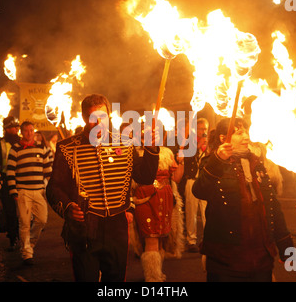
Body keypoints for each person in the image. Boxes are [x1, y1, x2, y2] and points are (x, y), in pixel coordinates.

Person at [46, 93, 160, 282]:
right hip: (85, 228)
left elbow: (145, 177)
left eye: (103, 118)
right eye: (93, 119)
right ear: (84, 118)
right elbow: (54, 188)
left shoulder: (125, 143)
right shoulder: (66, 148)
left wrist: (151, 149)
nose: (99, 124)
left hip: (117, 228)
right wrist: (68, 207)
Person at [192, 117, 293, 282]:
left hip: (261, 259)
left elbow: (272, 206)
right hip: (226, 260)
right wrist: (218, 160)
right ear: (223, 138)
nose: (246, 137)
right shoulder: (212, 162)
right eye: (239, 133)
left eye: (246, 131)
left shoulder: (257, 164)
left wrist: (286, 246)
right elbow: (199, 190)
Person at [132, 146, 184, 281]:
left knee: (160, 239)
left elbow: (176, 178)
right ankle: (152, 277)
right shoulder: (135, 153)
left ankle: (156, 272)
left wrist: (181, 161)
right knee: (151, 238)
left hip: (164, 197)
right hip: (145, 197)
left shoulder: (166, 152)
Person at [6, 121, 53, 265]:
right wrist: (14, 191)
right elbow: (10, 172)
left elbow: (47, 171)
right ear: (22, 132)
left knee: (42, 220)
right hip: (23, 191)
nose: (29, 133)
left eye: (31, 130)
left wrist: (50, 189)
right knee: (24, 223)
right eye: (26, 130)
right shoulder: (15, 149)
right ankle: (26, 253)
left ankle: (29, 244)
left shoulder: (42, 148)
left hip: (38, 190)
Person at [0, 116, 20, 250]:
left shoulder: (22, 142)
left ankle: (22, 235)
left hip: (21, 179)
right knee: (10, 210)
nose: (16, 129)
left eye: (17, 127)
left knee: (22, 210)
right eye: (13, 127)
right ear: (7, 129)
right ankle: (13, 236)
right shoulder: (1, 143)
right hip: (5, 180)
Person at [182, 117, 209, 252]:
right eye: (200, 129)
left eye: (205, 129)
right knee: (191, 212)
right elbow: (185, 158)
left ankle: (208, 240)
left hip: (205, 182)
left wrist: (206, 147)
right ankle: (191, 240)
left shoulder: (209, 145)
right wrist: (198, 146)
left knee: (206, 212)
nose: (203, 131)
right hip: (192, 180)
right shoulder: (189, 143)